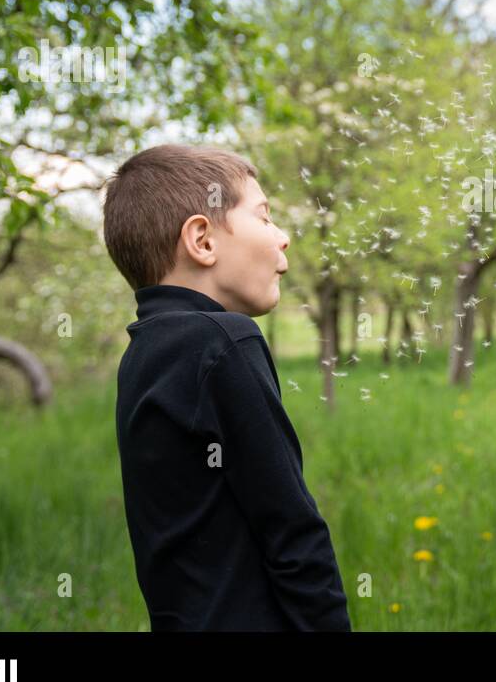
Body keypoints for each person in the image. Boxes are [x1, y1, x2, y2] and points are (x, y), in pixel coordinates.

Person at [103, 143, 350, 631]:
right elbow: (292, 529)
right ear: (203, 240)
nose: (283, 238)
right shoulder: (221, 340)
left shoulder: (143, 353)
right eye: (264, 217)